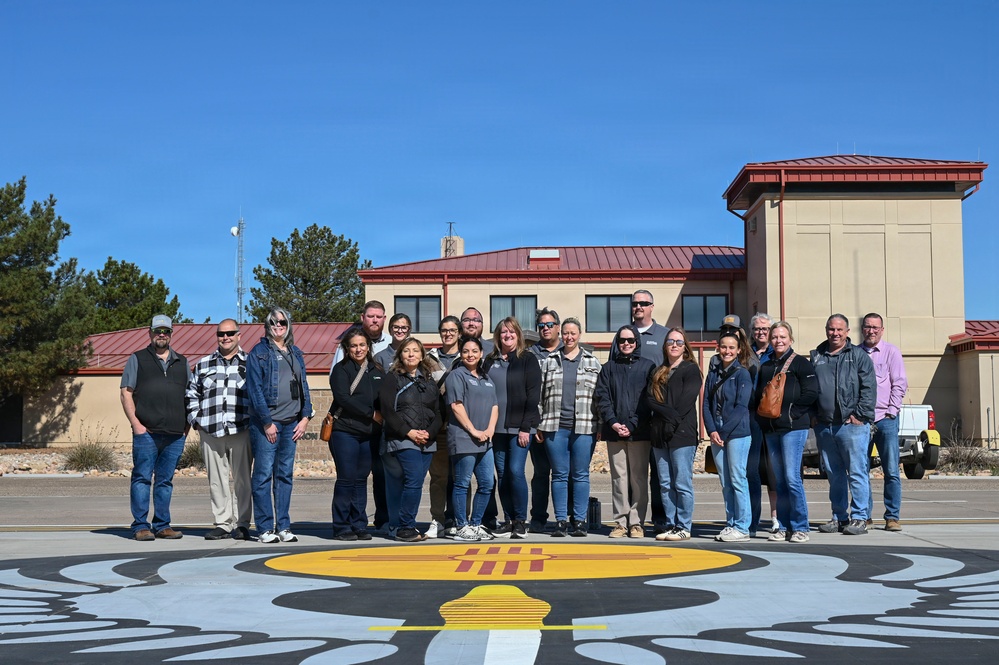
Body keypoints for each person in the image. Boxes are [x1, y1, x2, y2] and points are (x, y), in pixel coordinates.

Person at [120, 315, 191, 541]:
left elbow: (191, 396)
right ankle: (141, 525)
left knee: (165, 480)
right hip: (146, 433)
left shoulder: (182, 362)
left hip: (175, 435)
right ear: (150, 333)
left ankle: (162, 525)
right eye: (157, 330)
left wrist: (186, 428)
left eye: (166, 331)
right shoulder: (138, 359)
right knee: (141, 478)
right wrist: (136, 425)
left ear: (171, 334)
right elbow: (126, 392)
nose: (162, 334)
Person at [245, 307, 313, 544]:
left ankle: (283, 526)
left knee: (284, 476)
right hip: (268, 426)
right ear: (267, 325)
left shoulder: (296, 353)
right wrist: (266, 422)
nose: (278, 326)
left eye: (282, 323)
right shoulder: (258, 353)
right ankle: (264, 528)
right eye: (274, 322)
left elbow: (304, 386)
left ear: (288, 325)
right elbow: (254, 391)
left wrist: (305, 417)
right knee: (263, 475)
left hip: (291, 424)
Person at [185, 318, 252, 541]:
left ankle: (243, 523)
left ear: (239, 335)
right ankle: (223, 523)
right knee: (217, 480)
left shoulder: (250, 363)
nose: (226, 337)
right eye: (221, 334)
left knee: (243, 479)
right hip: (211, 431)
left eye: (230, 333)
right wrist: (196, 420)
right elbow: (191, 393)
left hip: (241, 429)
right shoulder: (204, 364)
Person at [812, 314, 877, 536]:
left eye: (840, 329)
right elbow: (811, 389)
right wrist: (814, 416)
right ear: (826, 330)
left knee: (857, 472)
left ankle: (860, 518)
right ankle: (839, 516)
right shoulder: (817, 356)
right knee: (834, 474)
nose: (835, 333)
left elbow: (869, 387)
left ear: (847, 332)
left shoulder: (858, 356)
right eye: (831, 329)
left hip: (852, 426)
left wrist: (860, 415)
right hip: (825, 426)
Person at [754, 321, 818, 543]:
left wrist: (791, 414)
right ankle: (782, 526)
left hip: (793, 429)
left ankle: (801, 527)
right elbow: (760, 398)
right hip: (771, 430)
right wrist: (763, 422)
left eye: (783, 337)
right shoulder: (766, 366)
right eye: (775, 337)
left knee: (792, 478)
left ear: (791, 339)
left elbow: (811, 393)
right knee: (778, 480)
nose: (778, 341)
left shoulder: (801, 364)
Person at [330, 301, 390, 533]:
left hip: (368, 433)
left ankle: (359, 524)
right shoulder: (341, 370)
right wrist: (372, 414)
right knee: (346, 478)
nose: (358, 349)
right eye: (354, 346)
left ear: (368, 347)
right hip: (344, 431)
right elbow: (343, 399)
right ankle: (342, 526)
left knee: (361, 480)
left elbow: (384, 397)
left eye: (362, 345)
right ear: (347, 347)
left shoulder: (376, 370)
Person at [539, 317, 601, 537]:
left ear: (580, 335)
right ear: (560, 334)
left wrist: (600, 425)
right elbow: (540, 396)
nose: (569, 337)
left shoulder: (593, 363)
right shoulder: (548, 362)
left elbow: (599, 398)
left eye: (573, 333)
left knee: (581, 475)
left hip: (584, 427)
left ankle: (580, 521)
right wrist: (539, 423)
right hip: (555, 427)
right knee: (559, 475)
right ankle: (561, 521)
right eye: (565, 333)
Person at [482, 317, 542, 539]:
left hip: (520, 428)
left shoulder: (528, 360)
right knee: (503, 474)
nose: (507, 335)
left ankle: (520, 521)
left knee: (516, 472)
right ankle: (507, 520)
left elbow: (533, 396)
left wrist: (526, 427)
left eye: (511, 332)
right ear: (498, 336)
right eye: (503, 332)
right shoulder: (489, 360)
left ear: (518, 335)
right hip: (495, 429)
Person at [595, 324, 656, 538]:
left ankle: (637, 523)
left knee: (638, 479)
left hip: (640, 432)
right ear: (617, 342)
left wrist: (631, 424)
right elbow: (602, 397)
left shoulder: (648, 367)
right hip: (614, 433)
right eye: (622, 341)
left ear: (637, 342)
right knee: (618, 478)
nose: (627, 344)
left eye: (631, 340)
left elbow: (649, 400)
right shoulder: (608, 368)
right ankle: (620, 523)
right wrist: (612, 422)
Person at [379, 337, 442, 542]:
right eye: (406, 351)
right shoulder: (392, 378)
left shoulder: (429, 380)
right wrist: (410, 432)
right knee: (413, 479)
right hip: (403, 438)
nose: (411, 354)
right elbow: (388, 410)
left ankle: (404, 524)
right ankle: (405, 526)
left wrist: (429, 433)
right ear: (400, 355)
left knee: (416, 482)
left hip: (426, 440)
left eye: (415, 351)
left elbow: (438, 412)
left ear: (422, 355)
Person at [620, 290, 670, 534]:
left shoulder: (664, 335)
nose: (638, 307)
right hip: (629, 421)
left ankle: (660, 518)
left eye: (643, 303)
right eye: (635, 303)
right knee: (631, 475)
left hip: (655, 418)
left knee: (658, 474)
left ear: (652, 306)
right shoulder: (623, 335)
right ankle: (632, 521)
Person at [647, 327, 702, 542]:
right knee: (665, 483)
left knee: (681, 482)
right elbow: (650, 399)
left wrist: (670, 418)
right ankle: (670, 523)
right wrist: (666, 415)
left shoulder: (690, 370)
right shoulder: (658, 370)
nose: (675, 345)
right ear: (665, 345)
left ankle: (683, 526)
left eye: (679, 342)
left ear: (685, 346)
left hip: (682, 434)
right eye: (671, 341)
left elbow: (686, 401)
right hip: (659, 434)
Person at [445, 336, 499, 542]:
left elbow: (495, 405)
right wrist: (474, 431)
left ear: (481, 353)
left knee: (486, 483)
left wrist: (490, 429)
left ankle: (475, 524)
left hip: (485, 440)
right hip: (464, 438)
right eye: (466, 351)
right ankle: (461, 526)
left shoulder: (486, 378)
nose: (470, 355)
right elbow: (456, 406)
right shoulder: (457, 375)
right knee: (462, 483)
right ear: (461, 353)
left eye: (474, 351)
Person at [703, 331, 754, 541]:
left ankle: (742, 526)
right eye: (723, 347)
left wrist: (723, 432)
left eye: (731, 347)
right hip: (718, 433)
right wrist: (712, 430)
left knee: (737, 479)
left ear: (739, 350)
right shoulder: (714, 373)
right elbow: (706, 402)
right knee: (725, 481)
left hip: (737, 434)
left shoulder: (742, 374)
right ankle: (731, 522)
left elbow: (742, 407)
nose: (727, 351)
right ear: (718, 347)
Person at [860, 312, 908, 532]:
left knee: (891, 470)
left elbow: (899, 383)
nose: (871, 331)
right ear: (862, 329)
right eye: (868, 327)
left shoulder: (891, 352)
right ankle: (864, 516)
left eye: (875, 327)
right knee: (861, 470)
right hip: (861, 420)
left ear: (882, 330)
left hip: (885, 420)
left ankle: (892, 517)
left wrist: (891, 411)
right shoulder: (855, 353)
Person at [425, 315, 462, 537]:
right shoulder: (428, 359)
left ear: (459, 332)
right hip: (437, 428)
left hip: (461, 427)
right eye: (444, 330)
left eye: (452, 330)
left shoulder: (468, 355)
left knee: (461, 477)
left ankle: (459, 520)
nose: (448, 334)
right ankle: (437, 520)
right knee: (438, 477)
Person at [526, 307, 562, 533]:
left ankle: (566, 518)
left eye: (550, 325)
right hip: (539, 427)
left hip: (564, 425)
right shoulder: (530, 355)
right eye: (542, 326)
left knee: (564, 474)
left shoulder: (568, 350)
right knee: (541, 474)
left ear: (558, 327)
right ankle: (538, 517)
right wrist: (535, 423)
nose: (546, 329)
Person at [748, 312, 780, 535]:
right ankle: (751, 519)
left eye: (765, 329)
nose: (761, 332)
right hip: (749, 418)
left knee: (774, 472)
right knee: (751, 472)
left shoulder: (777, 353)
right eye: (757, 329)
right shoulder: (745, 352)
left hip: (772, 418)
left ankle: (776, 518)